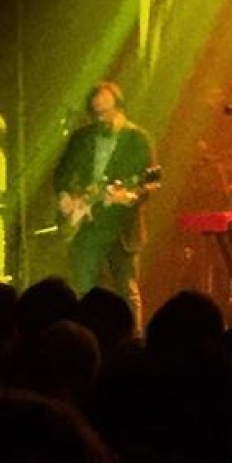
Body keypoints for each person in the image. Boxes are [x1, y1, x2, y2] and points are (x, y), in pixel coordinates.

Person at [53, 80, 159, 335]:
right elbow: (61, 174)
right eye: (96, 106)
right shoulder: (82, 138)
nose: (99, 109)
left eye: (105, 104)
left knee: (127, 292)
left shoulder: (137, 138)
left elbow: (152, 181)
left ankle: (134, 344)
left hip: (122, 227)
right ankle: (88, 344)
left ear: (118, 104)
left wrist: (131, 196)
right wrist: (66, 196)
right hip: (87, 227)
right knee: (84, 291)